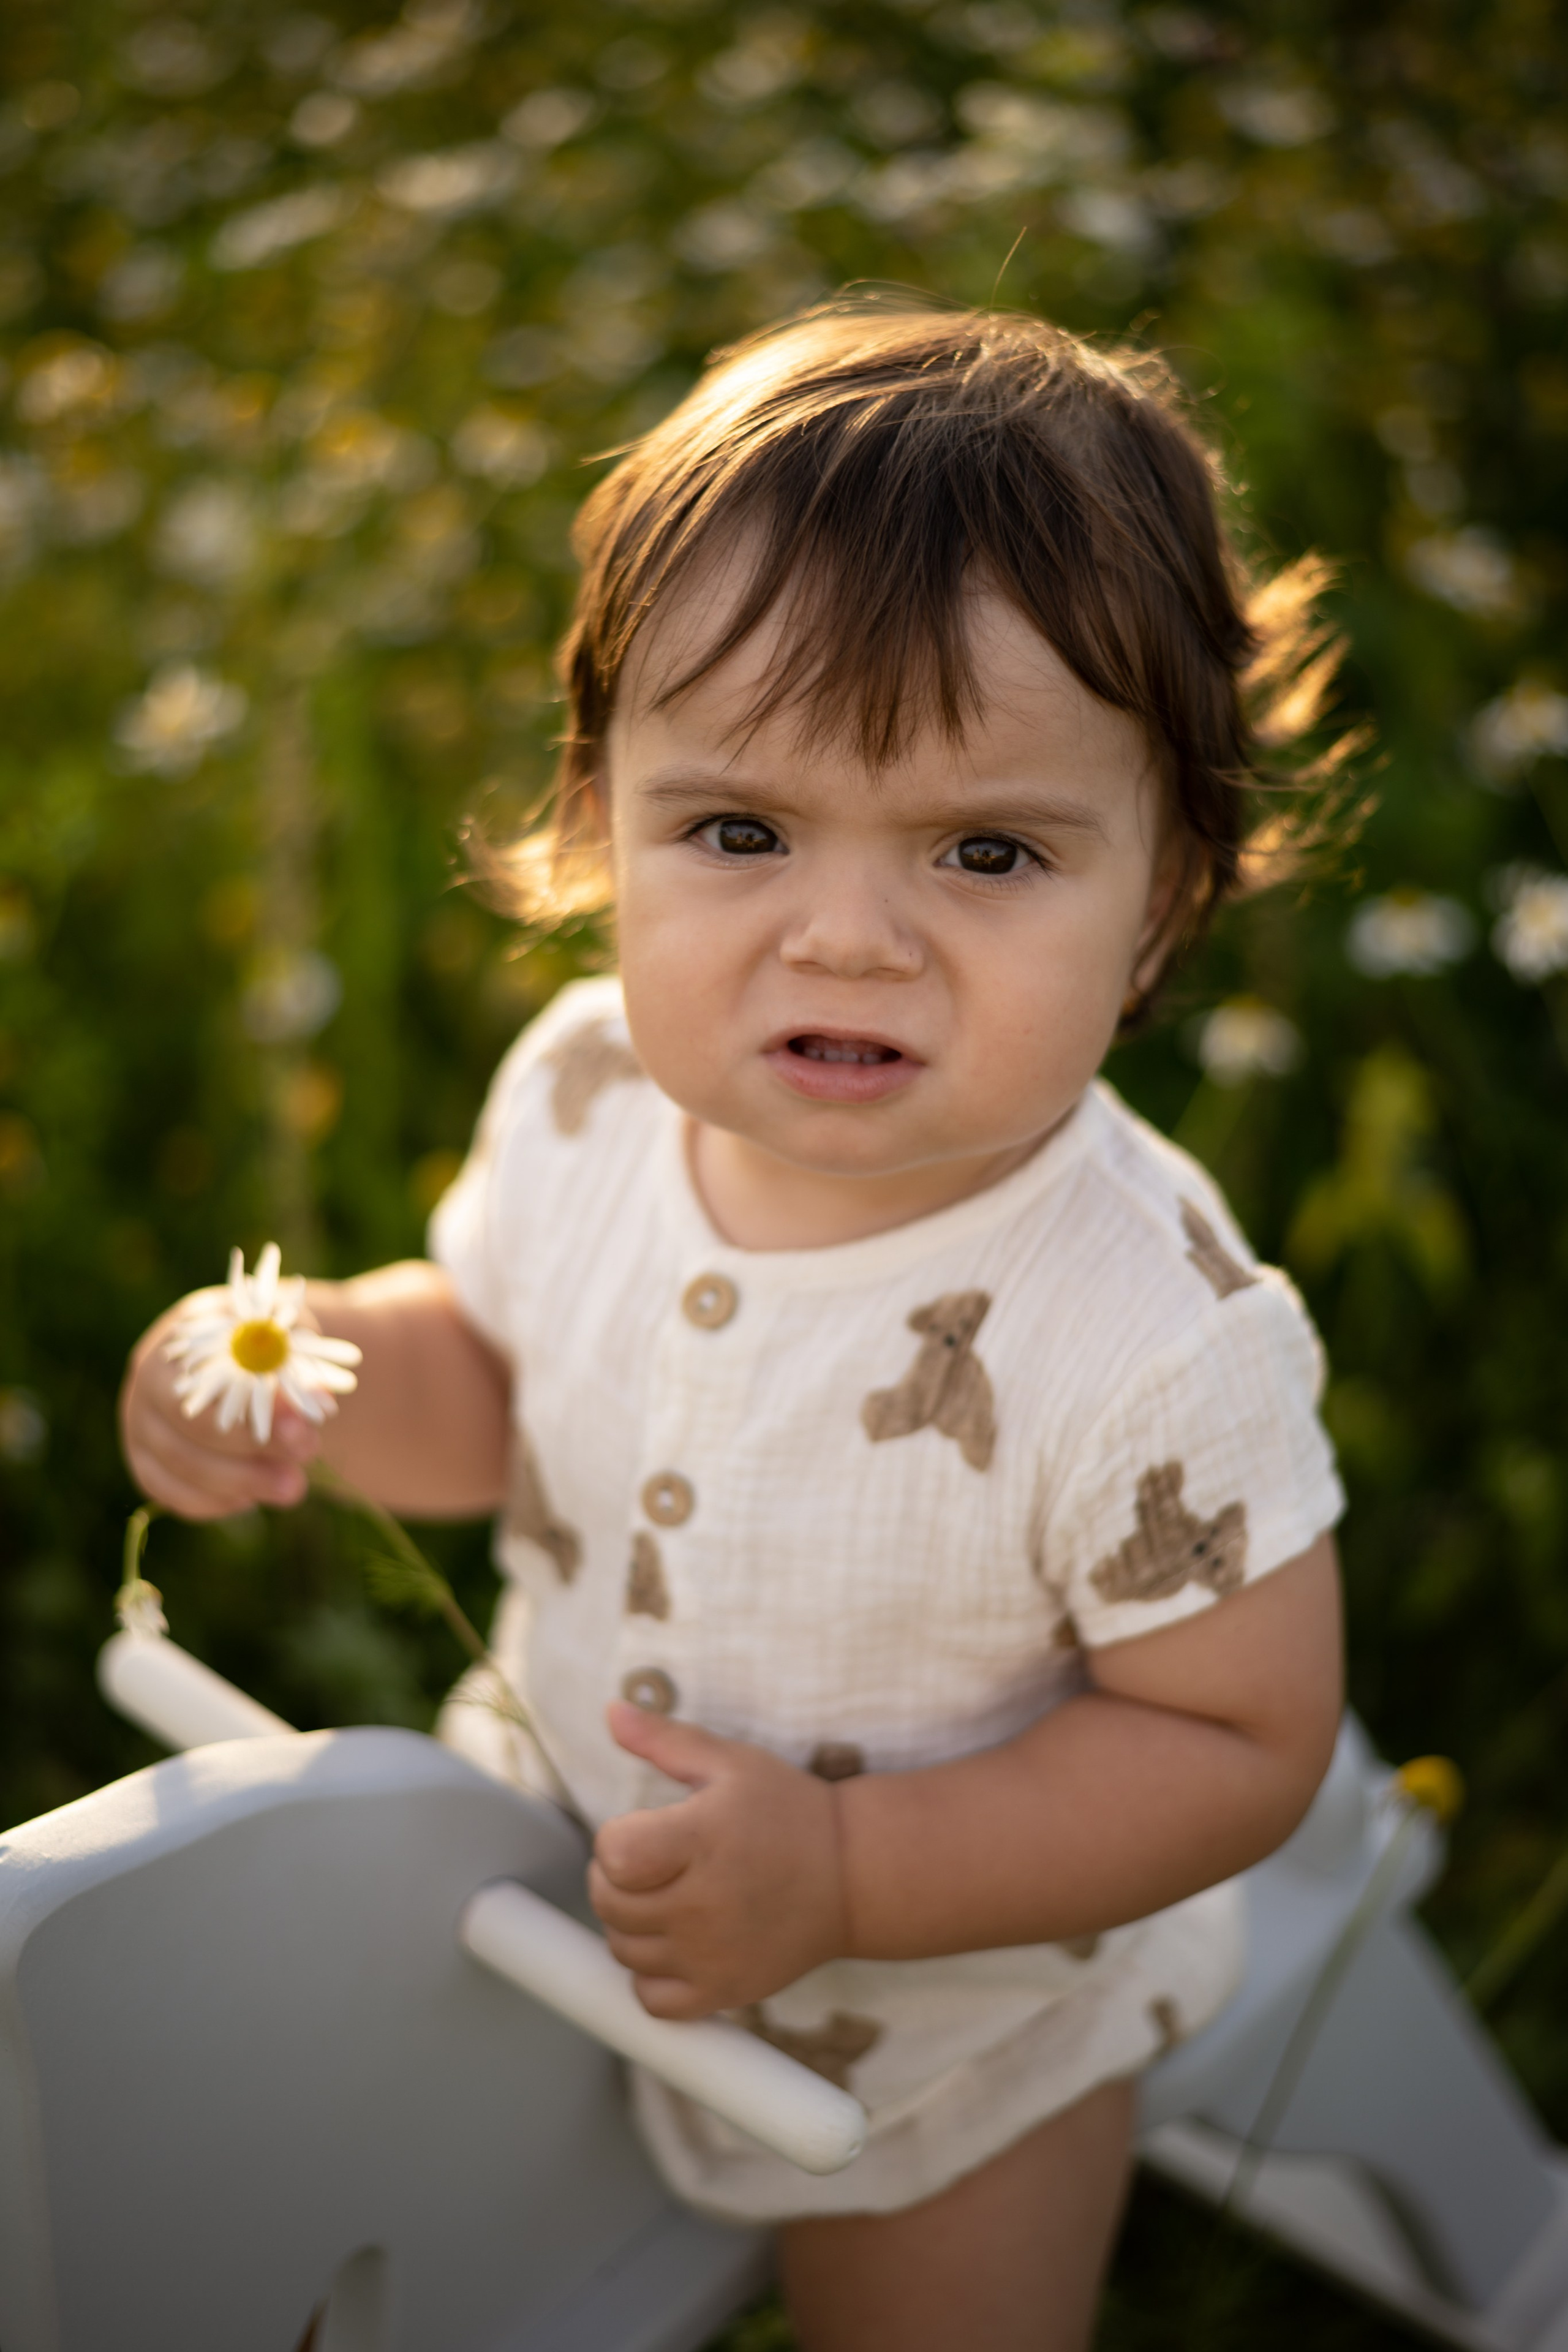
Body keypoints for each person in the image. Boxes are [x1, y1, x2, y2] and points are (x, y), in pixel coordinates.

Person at [121, 296, 1351, 2352]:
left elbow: (1235, 1741)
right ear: (600, 818)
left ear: (1161, 897)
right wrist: (308, 1369)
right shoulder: (586, 1094)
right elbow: (499, 1382)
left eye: (986, 851)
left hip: (939, 2030)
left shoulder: (1151, 1332)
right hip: (539, 1890)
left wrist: (853, 1877)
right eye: (742, 831)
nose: (848, 936)